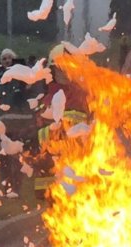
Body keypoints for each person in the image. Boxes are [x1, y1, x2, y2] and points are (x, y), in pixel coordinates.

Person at [31, 44, 89, 196]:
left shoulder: (85, 97)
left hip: (80, 167)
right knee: (53, 216)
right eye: (60, 67)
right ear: (53, 70)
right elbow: (35, 136)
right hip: (50, 168)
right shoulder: (45, 101)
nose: (64, 71)